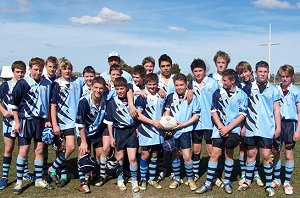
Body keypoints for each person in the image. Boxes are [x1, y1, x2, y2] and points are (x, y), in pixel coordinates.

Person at [196, 69, 248, 194]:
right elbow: (213, 111)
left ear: (233, 80)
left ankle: (227, 181)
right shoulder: (217, 93)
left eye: (225, 80)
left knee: (229, 154)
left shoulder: (241, 94)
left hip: (233, 130)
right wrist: (220, 126)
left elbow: (242, 114)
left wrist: (228, 128)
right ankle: (208, 182)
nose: (222, 82)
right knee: (215, 154)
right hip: (218, 129)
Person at [9, 57, 54, 194]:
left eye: (40, 69)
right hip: (26, 120)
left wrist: (47, 120)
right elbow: (13, 105)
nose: (38, 72)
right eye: (35, 69)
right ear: (30, 69)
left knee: (39, 150)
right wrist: (17, 122)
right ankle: (18, 182)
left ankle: (39, 179)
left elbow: (47, 103)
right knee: (24, 150)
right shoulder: (23, 83)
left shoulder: (47, 83)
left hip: (41, 121)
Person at [239, 61, 281, 197]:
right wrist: (243, 126)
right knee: (251, 155)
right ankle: (247, 181)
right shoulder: (247, 88)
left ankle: (268, 184)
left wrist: (278, 127)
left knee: (266, 156)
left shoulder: (274, 89)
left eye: (265, 72)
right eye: (260, 71)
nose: (262, 74)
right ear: (255, 72)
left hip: (267, 128)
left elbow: (276, 110)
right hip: (251, 128)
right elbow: (243, 110)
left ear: (267, 73)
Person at [48, 57, 85, 187]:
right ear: (60, 69)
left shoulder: (77, 81)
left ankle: (53, 168)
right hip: (61, 121)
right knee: (62, 149)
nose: (67, 70)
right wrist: (54, 124)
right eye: (64, 68)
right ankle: (62, 174)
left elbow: (91, 81)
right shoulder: (56, 84)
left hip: (74, 122)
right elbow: (53, 106)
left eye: (69, 68)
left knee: (70, 147)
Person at [0, 61, 35, 190]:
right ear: (13, 72)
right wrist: (4, 111)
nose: (20, 74)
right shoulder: (5, 85)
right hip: (9, 123)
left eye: (22, 72)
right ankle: (4, 177)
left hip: (22, 122)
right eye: (18, 72)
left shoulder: (26, 84)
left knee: (23, 149)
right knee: (8, 149)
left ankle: (25, 173)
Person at [164, 73, 200, 191]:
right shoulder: (170, 97)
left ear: (186, 85)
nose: (179, 87)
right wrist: (168, 127)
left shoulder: (192, 96)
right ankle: (177, 179)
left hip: (185, 131)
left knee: (187, 156)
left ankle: (190, 179)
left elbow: (196, 115)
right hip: (173, 131)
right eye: (177, 85)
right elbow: (167, 113)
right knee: (175, 155)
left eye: (181, 85)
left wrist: (183, 125)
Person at [104, 77, 139, 193]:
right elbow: (109, 122)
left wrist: (137, 128)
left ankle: (134, 180)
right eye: (117, 89)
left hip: (131, 131)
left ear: (126, 88)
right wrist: (111, 137)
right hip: (119, 132)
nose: (120, 91)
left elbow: (138, 116)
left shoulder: (132, 100)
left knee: (132, 158)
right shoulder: (111, 103)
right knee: (120, 157)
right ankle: (120, 178)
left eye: (122, 88)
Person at [186, 59, 219, 182]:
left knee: (211, 151)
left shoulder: (212, 83)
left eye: (200, 70)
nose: (198, 73)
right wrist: (189, 89)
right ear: (192, 72)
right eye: (195, 71)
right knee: (196, 149)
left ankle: (214, 175)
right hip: (196, 123)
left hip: (210, 122)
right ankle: (195, 173)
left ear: (205, 71)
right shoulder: (191, 84)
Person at [75, 76, 108, 193]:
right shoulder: (84, 102)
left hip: (97, 132)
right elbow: (80, 124)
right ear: (91, 88)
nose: (98, 90)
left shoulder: (105, 99)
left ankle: (94, 173)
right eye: (96, 88)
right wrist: (83, 142)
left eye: (100, 88)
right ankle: (83, 183)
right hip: (83, 132)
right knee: (83, 154)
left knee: (99, 154)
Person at [272, 65, 300, 195]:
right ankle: (277, 179)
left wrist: (298, 130)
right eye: (282, 76)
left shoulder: (296, 91)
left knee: (288, 154)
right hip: (277, 123)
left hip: (290, 124)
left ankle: (287, 181)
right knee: (276, 152)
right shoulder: (274, 89)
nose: (284, 79)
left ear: (291, 77)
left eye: (287, 76)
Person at [235, 61, 263, 187]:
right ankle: (244, 173)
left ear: (251, 71)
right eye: (241, 72)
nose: (244, 74)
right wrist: (242, 124)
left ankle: (256, 172)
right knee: (242, 147)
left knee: (254, 148)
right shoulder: (238, 86)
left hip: (255, 121)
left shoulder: (255, 85)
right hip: (242, 120)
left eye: (245, 71)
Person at [135, 73, 165, 190]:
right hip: (146, 130)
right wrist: (153, 122)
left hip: (158, 131)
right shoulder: (142, 97)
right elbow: (138, 115)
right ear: (146, 84)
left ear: (157, 85)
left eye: (154, 84)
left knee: (154, 154)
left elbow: (165, 111)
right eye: (149, 84)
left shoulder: (162, 96)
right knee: (145, 154)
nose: (152, 87)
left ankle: (152, 179)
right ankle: (143, 178)